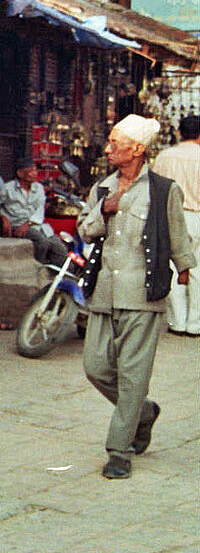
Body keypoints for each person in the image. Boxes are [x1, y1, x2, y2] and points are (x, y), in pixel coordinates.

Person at [78, 114, 194, 479]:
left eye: (116, 143)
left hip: (143, 293)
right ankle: (142, 413)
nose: (109, 148)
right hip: (104, 292)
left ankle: (119, 449)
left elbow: (178, 234)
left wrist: (184, 269)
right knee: (95, 367)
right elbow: (85, 228)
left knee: (133, 374)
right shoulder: (101, 188)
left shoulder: (164, 189)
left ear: (138, 150)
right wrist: (104, 209)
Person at [153, 114, 200, 336]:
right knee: (198, 271)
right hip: (198, 217)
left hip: (170, 216)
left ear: (179, 132)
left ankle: (177, 322)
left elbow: (153, 189)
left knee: (171, 267)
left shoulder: (164, 157)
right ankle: (195, 323)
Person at [0, 158, 68, 266]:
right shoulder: (8, 188)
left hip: (35, 225)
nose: (35, 174)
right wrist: (3, 219)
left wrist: (28, 224)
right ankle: (36, 268)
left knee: (60, 248)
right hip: (17, 225)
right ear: (20, 173)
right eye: (31, 171)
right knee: (42, 242)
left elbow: (40, 209)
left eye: (35, 170)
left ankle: (57, 275)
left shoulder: (39, 188)